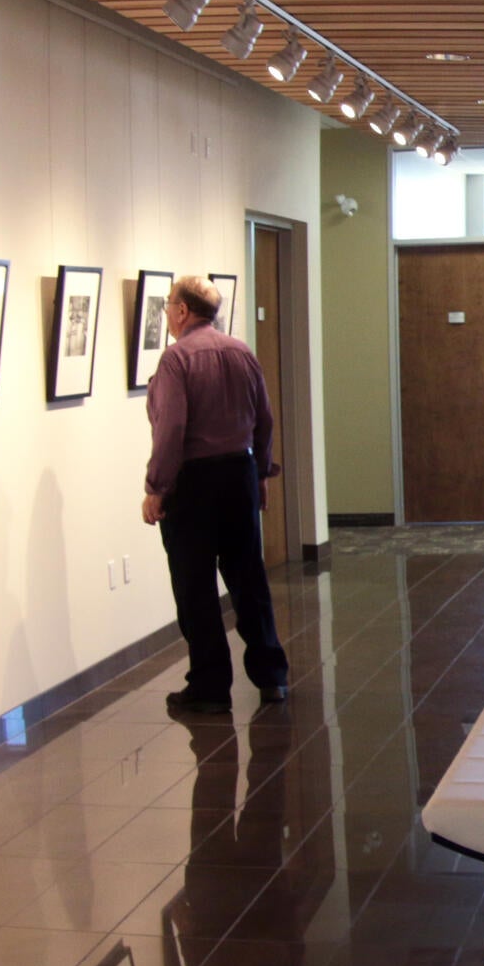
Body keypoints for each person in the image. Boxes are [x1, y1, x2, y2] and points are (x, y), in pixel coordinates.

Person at [143, 274, 291, 714]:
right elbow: (264, 419)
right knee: (249, 580)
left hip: (193, 483)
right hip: (239, 475)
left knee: (196, 586)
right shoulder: (241, 352)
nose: (167, 312)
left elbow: (170, 430)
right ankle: (271, 678)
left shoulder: (176, 360)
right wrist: (260, 473)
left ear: (183, 311)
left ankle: (209, 685)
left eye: (169, 305)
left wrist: (156, 488)